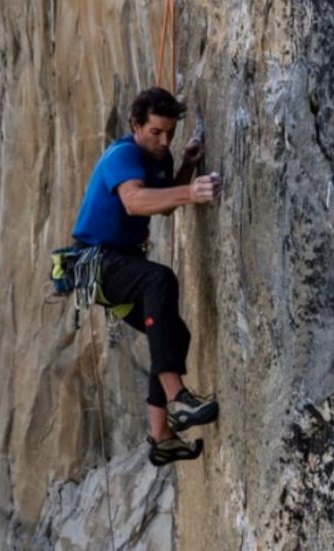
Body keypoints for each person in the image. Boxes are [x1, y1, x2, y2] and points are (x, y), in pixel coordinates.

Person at [71, 87, 222, 466]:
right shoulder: (124, 155)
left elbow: (165, 204)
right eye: (156, 131)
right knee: (160, 280)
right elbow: (134, 201)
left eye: (169, 132)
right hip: (97, 262)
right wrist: (191, 191)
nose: (164, 140)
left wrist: (186, 168)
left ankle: (162, 437)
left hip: (115, 264)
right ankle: (178, 399)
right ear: (136, 125)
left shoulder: (159, 158)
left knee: (175, 334)